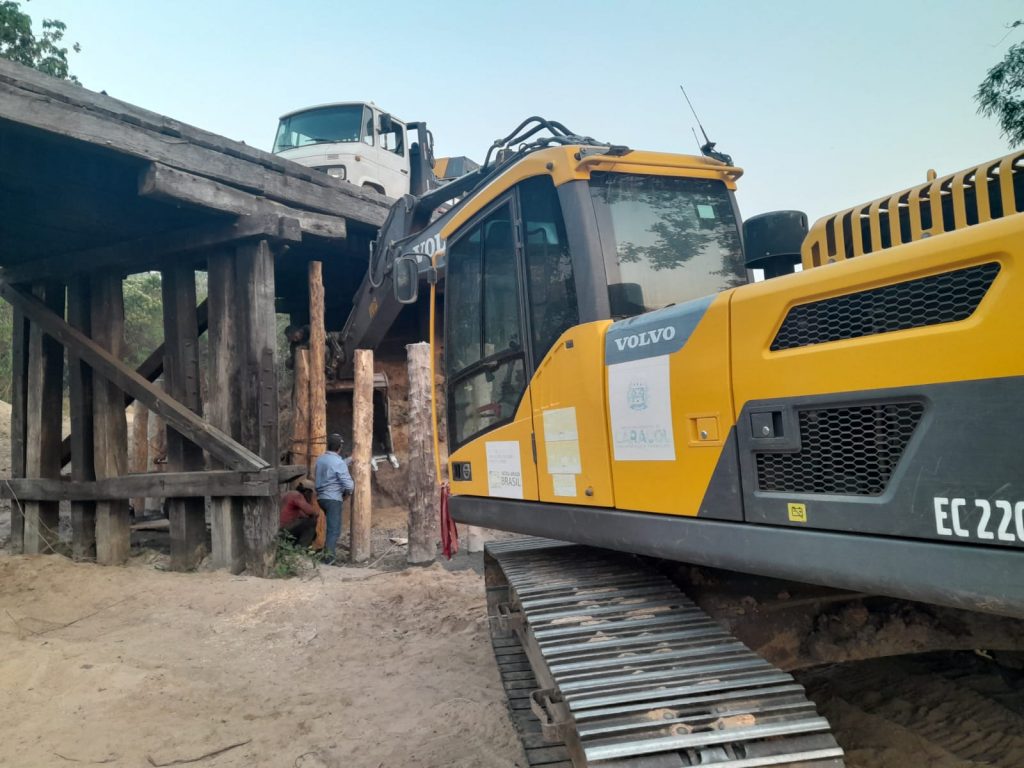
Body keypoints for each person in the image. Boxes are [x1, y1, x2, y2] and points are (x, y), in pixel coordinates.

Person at [315, 433, 354, 563]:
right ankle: (329, 559)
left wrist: (349, 460)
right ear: (340, 447)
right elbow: (348, 484)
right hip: (333, 499)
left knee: (331, 528)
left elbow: (334, 467)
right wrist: (348, 493)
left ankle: (326, 554)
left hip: (321, 498)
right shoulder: (338, 462)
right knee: (334, 530)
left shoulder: (320, 459)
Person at [279, 479, 317, 548]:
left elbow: (300, 514)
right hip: (284, 530)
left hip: (279, 530)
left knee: (306, 523)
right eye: (310, 494)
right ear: (307, 491)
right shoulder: (297, 495)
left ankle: (293, 547)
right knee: (311, 522)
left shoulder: (288, 494)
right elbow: (311, 512)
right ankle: (301, 549)